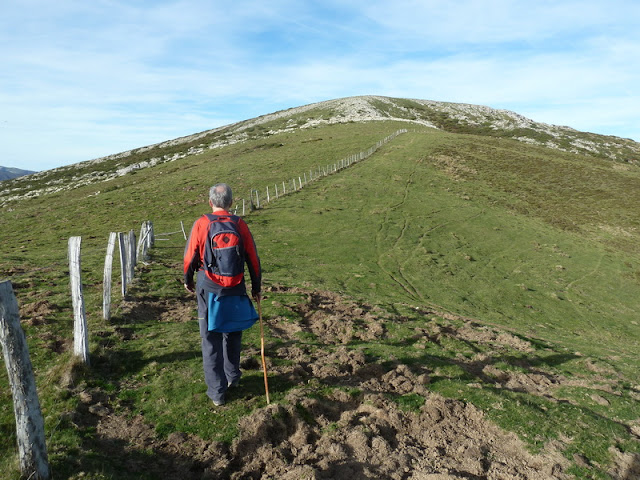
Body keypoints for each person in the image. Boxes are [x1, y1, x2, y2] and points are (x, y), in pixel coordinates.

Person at [183, 183, 261, 406]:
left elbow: (190, 257)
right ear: (231, 202)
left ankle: (217, 393)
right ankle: (232, 376)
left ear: (210, 202)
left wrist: (188, 280)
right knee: (233, 333)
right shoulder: (239, 224)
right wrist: (256, 287)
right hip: (236, 286)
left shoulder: (202, 223)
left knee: (210, 338)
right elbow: (253, 258)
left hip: (208, 286)